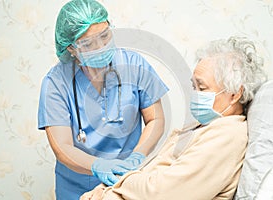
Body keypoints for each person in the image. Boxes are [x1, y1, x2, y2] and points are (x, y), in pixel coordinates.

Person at [80, 36, 267, 200]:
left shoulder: (228, 135)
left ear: (235, 94)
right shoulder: (204, 126)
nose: (195, 94)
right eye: (194, 87)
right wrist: (103, 189)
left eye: (202, 88)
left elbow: (160, 193)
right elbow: (152, 172)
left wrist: (120, 180)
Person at [37, 0, 169, 199]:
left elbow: (155, 119)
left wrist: (137, 156)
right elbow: (61, 146)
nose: (100, 46)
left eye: (105, 36)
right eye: (88, 43)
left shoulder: (134, 64)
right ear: (71, 48)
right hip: (76, 187)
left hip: (126, 181)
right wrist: (97, 166)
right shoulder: (56, 82)